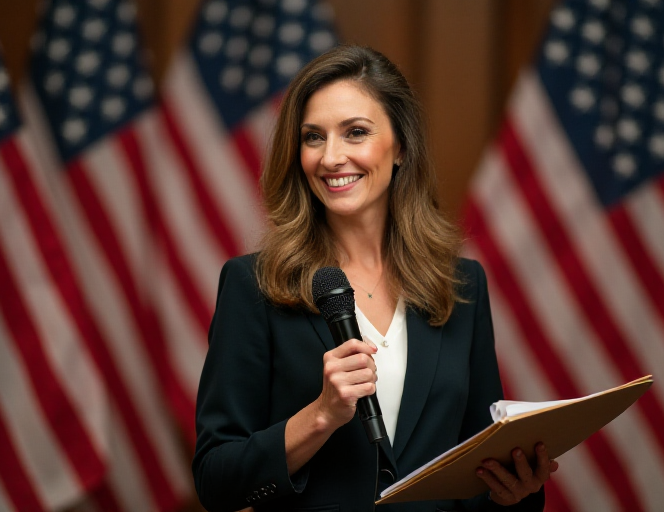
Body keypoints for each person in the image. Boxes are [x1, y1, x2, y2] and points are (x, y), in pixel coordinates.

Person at [193, 45, 557, 511]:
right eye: (313, 137)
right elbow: (216, 480)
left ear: (401, 146)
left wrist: (517, 492)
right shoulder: (254, 285)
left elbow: (478, 466)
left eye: (355, 133)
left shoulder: (461, 285)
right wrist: (321, 416)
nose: (330, 157)